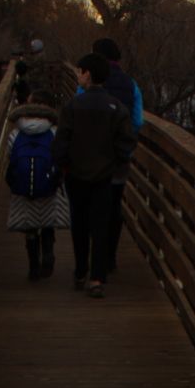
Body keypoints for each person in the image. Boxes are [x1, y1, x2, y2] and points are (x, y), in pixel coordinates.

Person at [55, 51, 136, 294]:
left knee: (79, 224)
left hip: (76, 175)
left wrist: (62, 165)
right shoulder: (116, 108)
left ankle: (81, 271)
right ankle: (97, 278)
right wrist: (115, 163)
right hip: (104, 177)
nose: (78, 76)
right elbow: (126, 143)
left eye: (80, 72)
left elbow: (61, 141)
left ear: (87, 74)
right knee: (100, 226)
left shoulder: (72, 106)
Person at [3, 88, 69, 279]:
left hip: (23, 188)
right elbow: (60, 158)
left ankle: (33, 265)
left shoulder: (15, 134)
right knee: (46, 220)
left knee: (29, 225)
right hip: (48, 187)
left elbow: (10, 158)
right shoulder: (54, 132)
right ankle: (48, 252)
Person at [94, 36, 143, 274]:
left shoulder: (90, 83)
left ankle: (95, 258)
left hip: (91, 157)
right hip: (119, 156)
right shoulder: (130, 84)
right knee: (114, 204)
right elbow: (137, 120)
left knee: (92, 204)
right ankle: (110, 256)